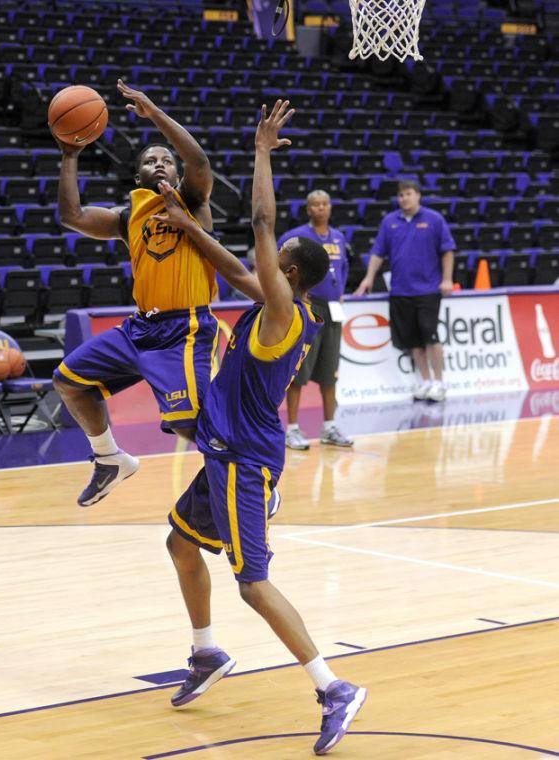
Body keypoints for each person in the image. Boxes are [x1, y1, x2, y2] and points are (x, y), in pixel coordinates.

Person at [159, 100, 367, 757]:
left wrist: (260, 152)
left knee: (252, 581)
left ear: (293, 276)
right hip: (227, 455)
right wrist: (185, 225)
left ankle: (332, 686)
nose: (268, 261)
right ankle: (204, 653)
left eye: (278, 260)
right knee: (180, 542)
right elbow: (231, 264)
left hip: (244, 462)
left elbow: (259, 221)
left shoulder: (281, 312)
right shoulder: (277, 299)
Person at [52, 79, 232, 506]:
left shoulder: (193, 200)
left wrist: (154, 114)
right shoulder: (128, 214)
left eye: (166, 160)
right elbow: (71, 215)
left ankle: (246, 481)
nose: (159, 164)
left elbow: (200, 160)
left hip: (185, 327)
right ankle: (109, 459)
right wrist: (70, 155)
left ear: (176, 172)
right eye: (150, 160)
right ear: (138, 175)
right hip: (141, 328)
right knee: (69, 381)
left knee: (191, 426)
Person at [355, 180, 456, 402]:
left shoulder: (434, 219)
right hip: (400, 291)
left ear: (418, 195)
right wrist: (369, 278)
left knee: (431, 336)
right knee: (413, 342)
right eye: (401, 195)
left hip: (428, 290)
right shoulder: (389, 222)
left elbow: (447, 251)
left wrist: (447, 279)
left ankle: (440, 383)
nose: (404, 198)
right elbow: (378, 253)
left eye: (408, 194)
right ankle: (425, 382)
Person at [278, 190, 353, 450]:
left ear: (330, 208)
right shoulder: (295, 237)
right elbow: (279, 266)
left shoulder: (339, 238)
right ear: (308, 209)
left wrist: (341, 292)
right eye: (315, 205)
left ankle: (329, 427)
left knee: (330, 372)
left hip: (333, 311)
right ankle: (292, 429)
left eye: (324, 204)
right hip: (308, 310)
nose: (320, 208)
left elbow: (343, 269)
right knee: (299, 373)